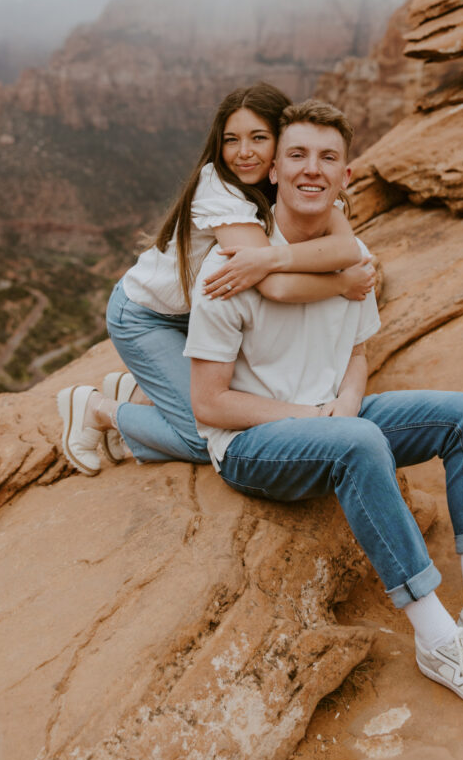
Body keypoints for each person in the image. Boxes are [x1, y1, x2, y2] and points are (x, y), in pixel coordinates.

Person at [185, 98, 463, 714]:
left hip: (333, 417)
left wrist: (347, 404)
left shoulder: (352, 260)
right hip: (253, 445)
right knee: (358, 442)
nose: (313, 169)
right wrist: (321, 422)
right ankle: (440, 641)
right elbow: (209, 404)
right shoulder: (231, 269)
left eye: (328, 158)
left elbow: (358, 352)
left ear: (346, 177)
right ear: (274, 171)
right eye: (299, 155)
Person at [57, 83, 374, 476]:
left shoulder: (295, 181)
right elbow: (273, 286)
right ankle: (96, 409)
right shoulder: (220, 190)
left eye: (259, 138)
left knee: (234, 403)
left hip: (197, 314)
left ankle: (138, 395)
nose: (244, 152)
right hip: (146, 315)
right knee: (201, 435)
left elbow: (346, 249)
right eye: (231, 140)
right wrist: (342, 285)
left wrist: (290, 259)